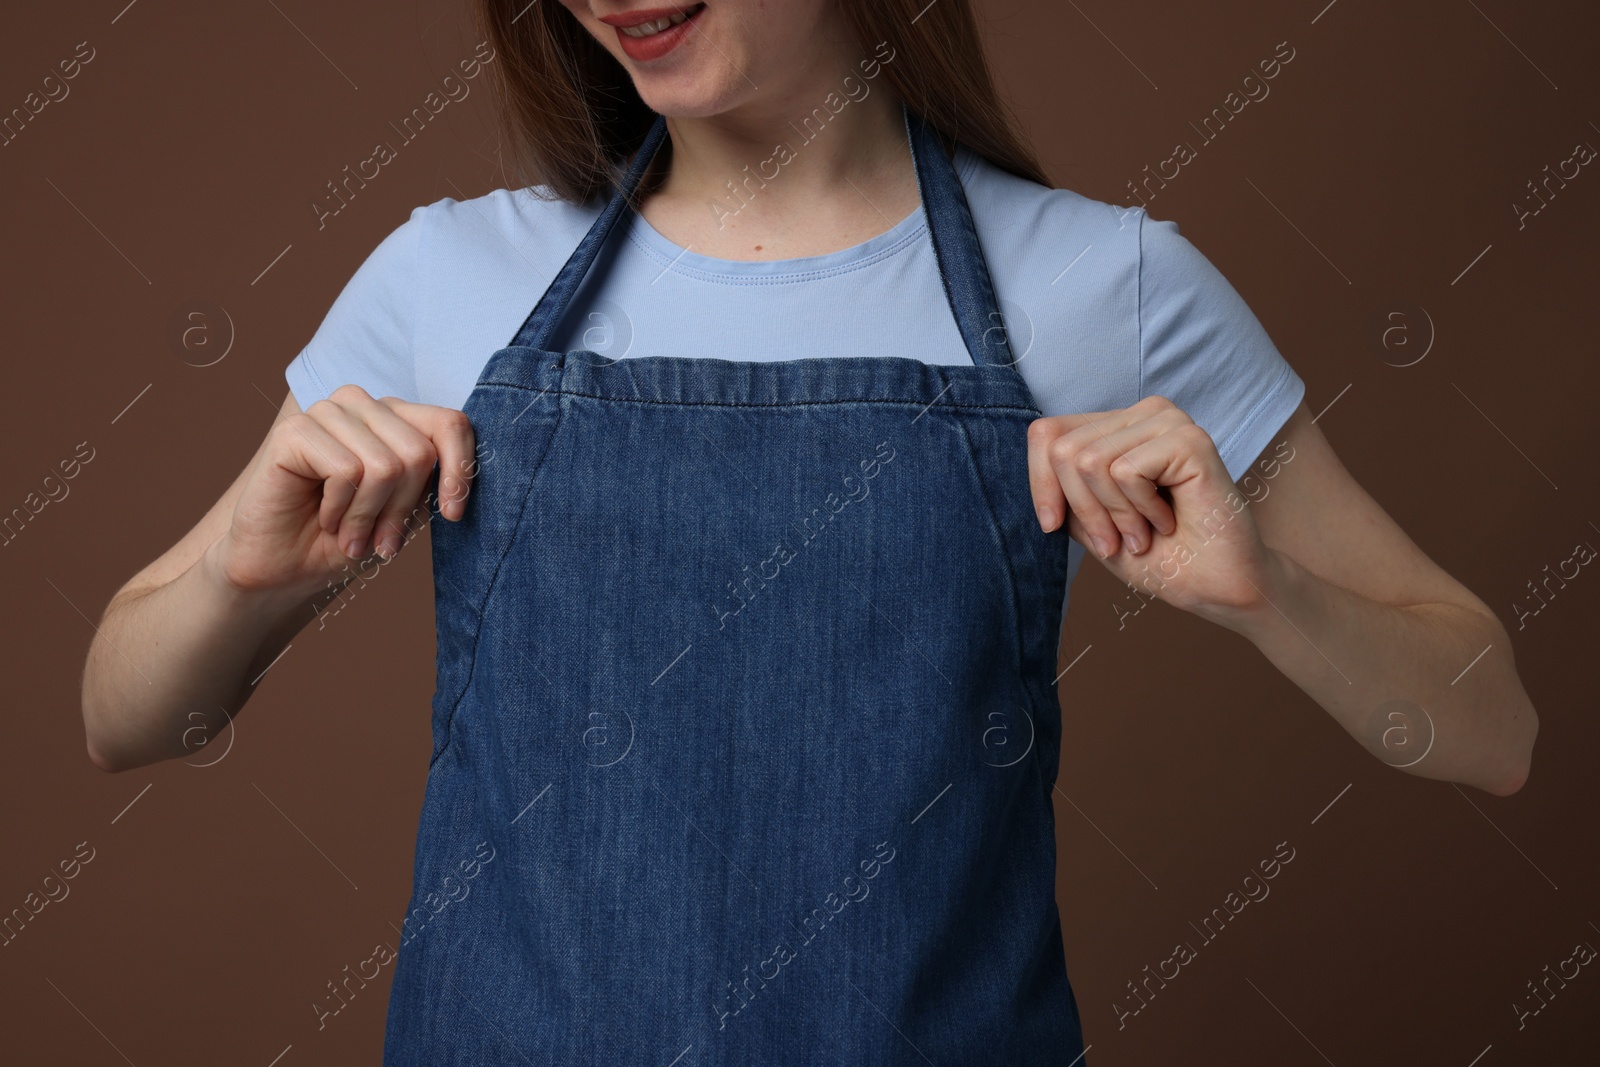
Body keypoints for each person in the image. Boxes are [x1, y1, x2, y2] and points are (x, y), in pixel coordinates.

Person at [80, 0, 1538, 1062]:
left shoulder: (1104, 284)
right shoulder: (451, 276)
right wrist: (232, 577)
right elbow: (126, 716)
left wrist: (1267, 591)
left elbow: (1492, 729)